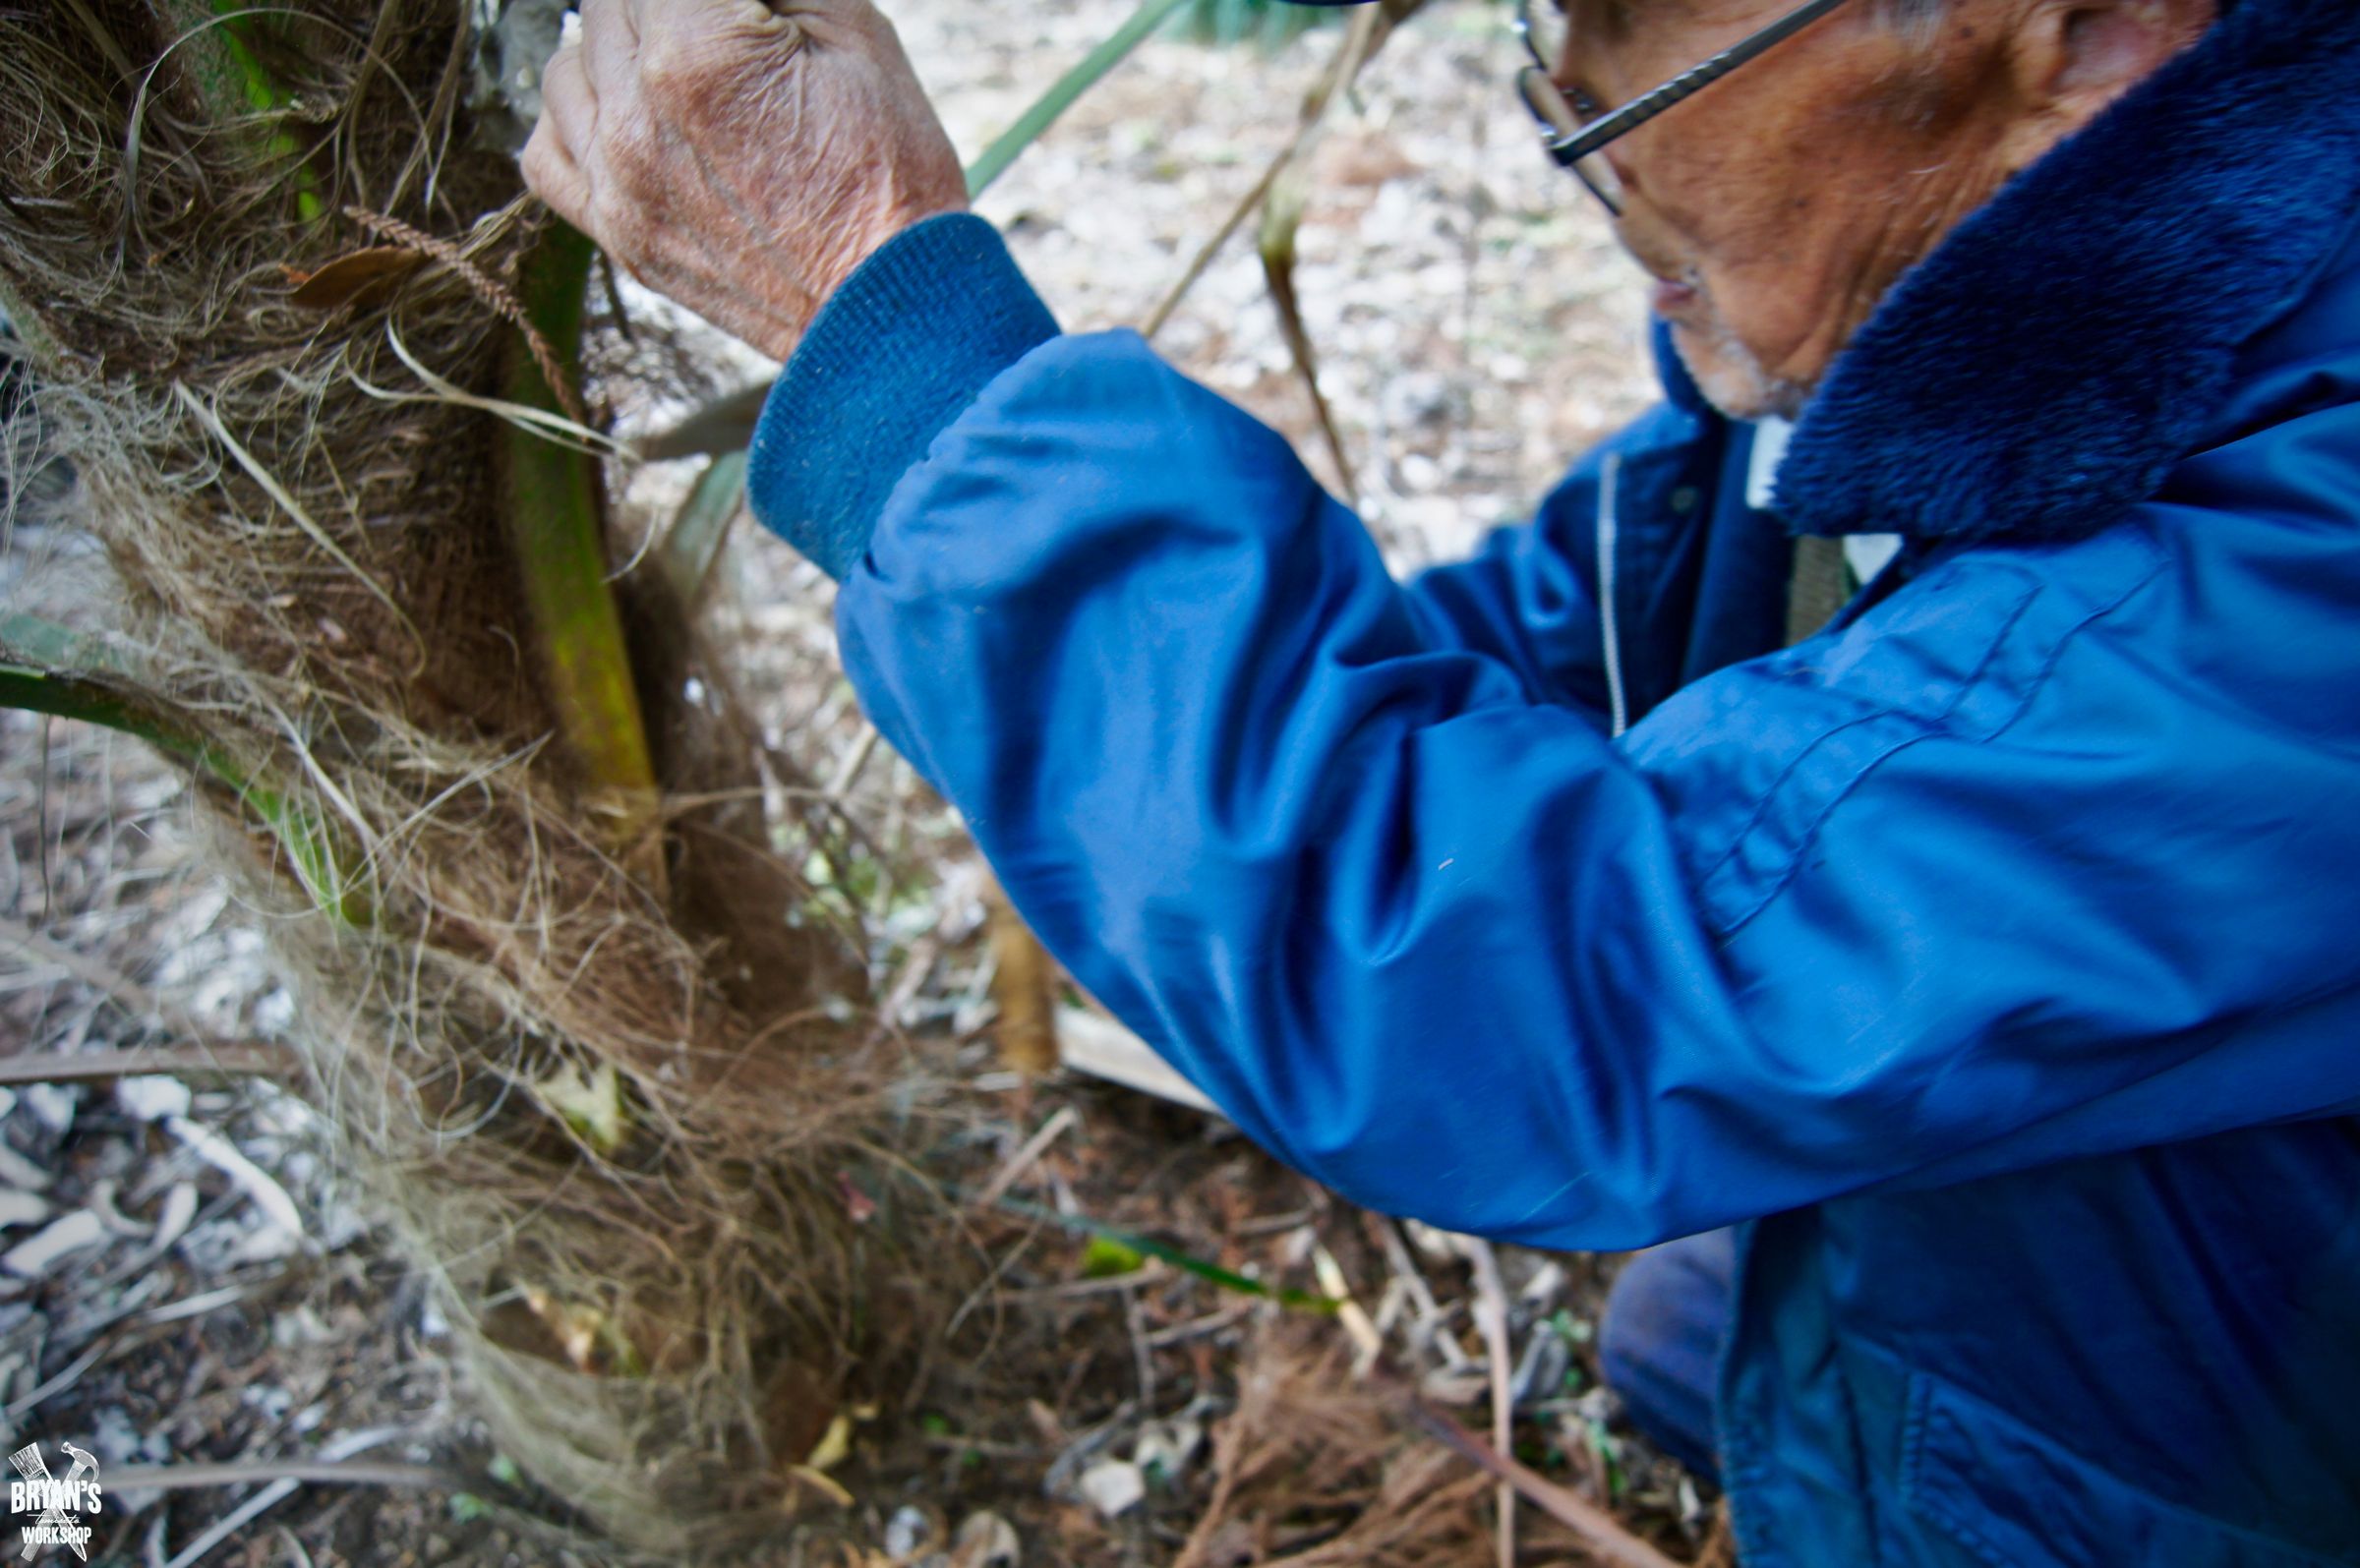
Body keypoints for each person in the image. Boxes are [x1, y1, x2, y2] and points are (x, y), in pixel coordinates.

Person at [522, 0, 2360, 1559]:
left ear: (2090, 32)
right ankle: (1825, 1342)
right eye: (1537, 31)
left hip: (2225, 1465)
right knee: (1712, 1318)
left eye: (1623, 44)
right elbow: (1579, 633)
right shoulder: (2029, 293)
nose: (1573, 131)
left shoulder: (2308, 593)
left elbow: (1564, 996)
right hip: (2066, 1231)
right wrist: (1138, 714)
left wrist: (898, 336)